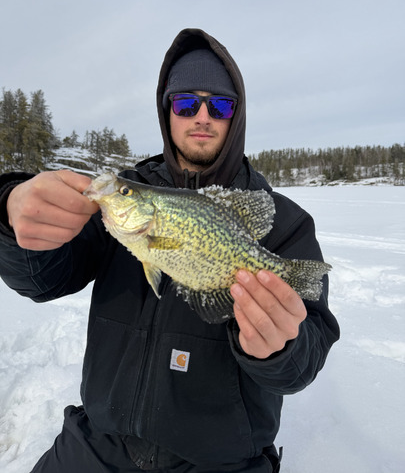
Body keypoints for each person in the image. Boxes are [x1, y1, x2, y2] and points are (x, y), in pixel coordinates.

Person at [0, 28, 340, 472]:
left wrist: (281, 349)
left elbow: (303, 361)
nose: (203, 117)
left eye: (220, 106)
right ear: (167, 111)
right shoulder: (122, 204)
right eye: (186, 104)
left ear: (236, 116)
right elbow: (42, 280)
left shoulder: (285, 222)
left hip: (221, 462)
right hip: (97, 444)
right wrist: (9, 213)